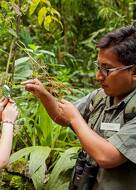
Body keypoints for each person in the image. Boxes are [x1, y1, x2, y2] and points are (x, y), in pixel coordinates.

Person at [22, 25, 136, 190]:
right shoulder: (100, 96)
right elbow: (62, 117)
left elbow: (108, 156)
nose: (98, 76)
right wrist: (44, 94)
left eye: (107, 69)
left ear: (133, 72)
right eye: (98, 67)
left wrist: (76, 118)